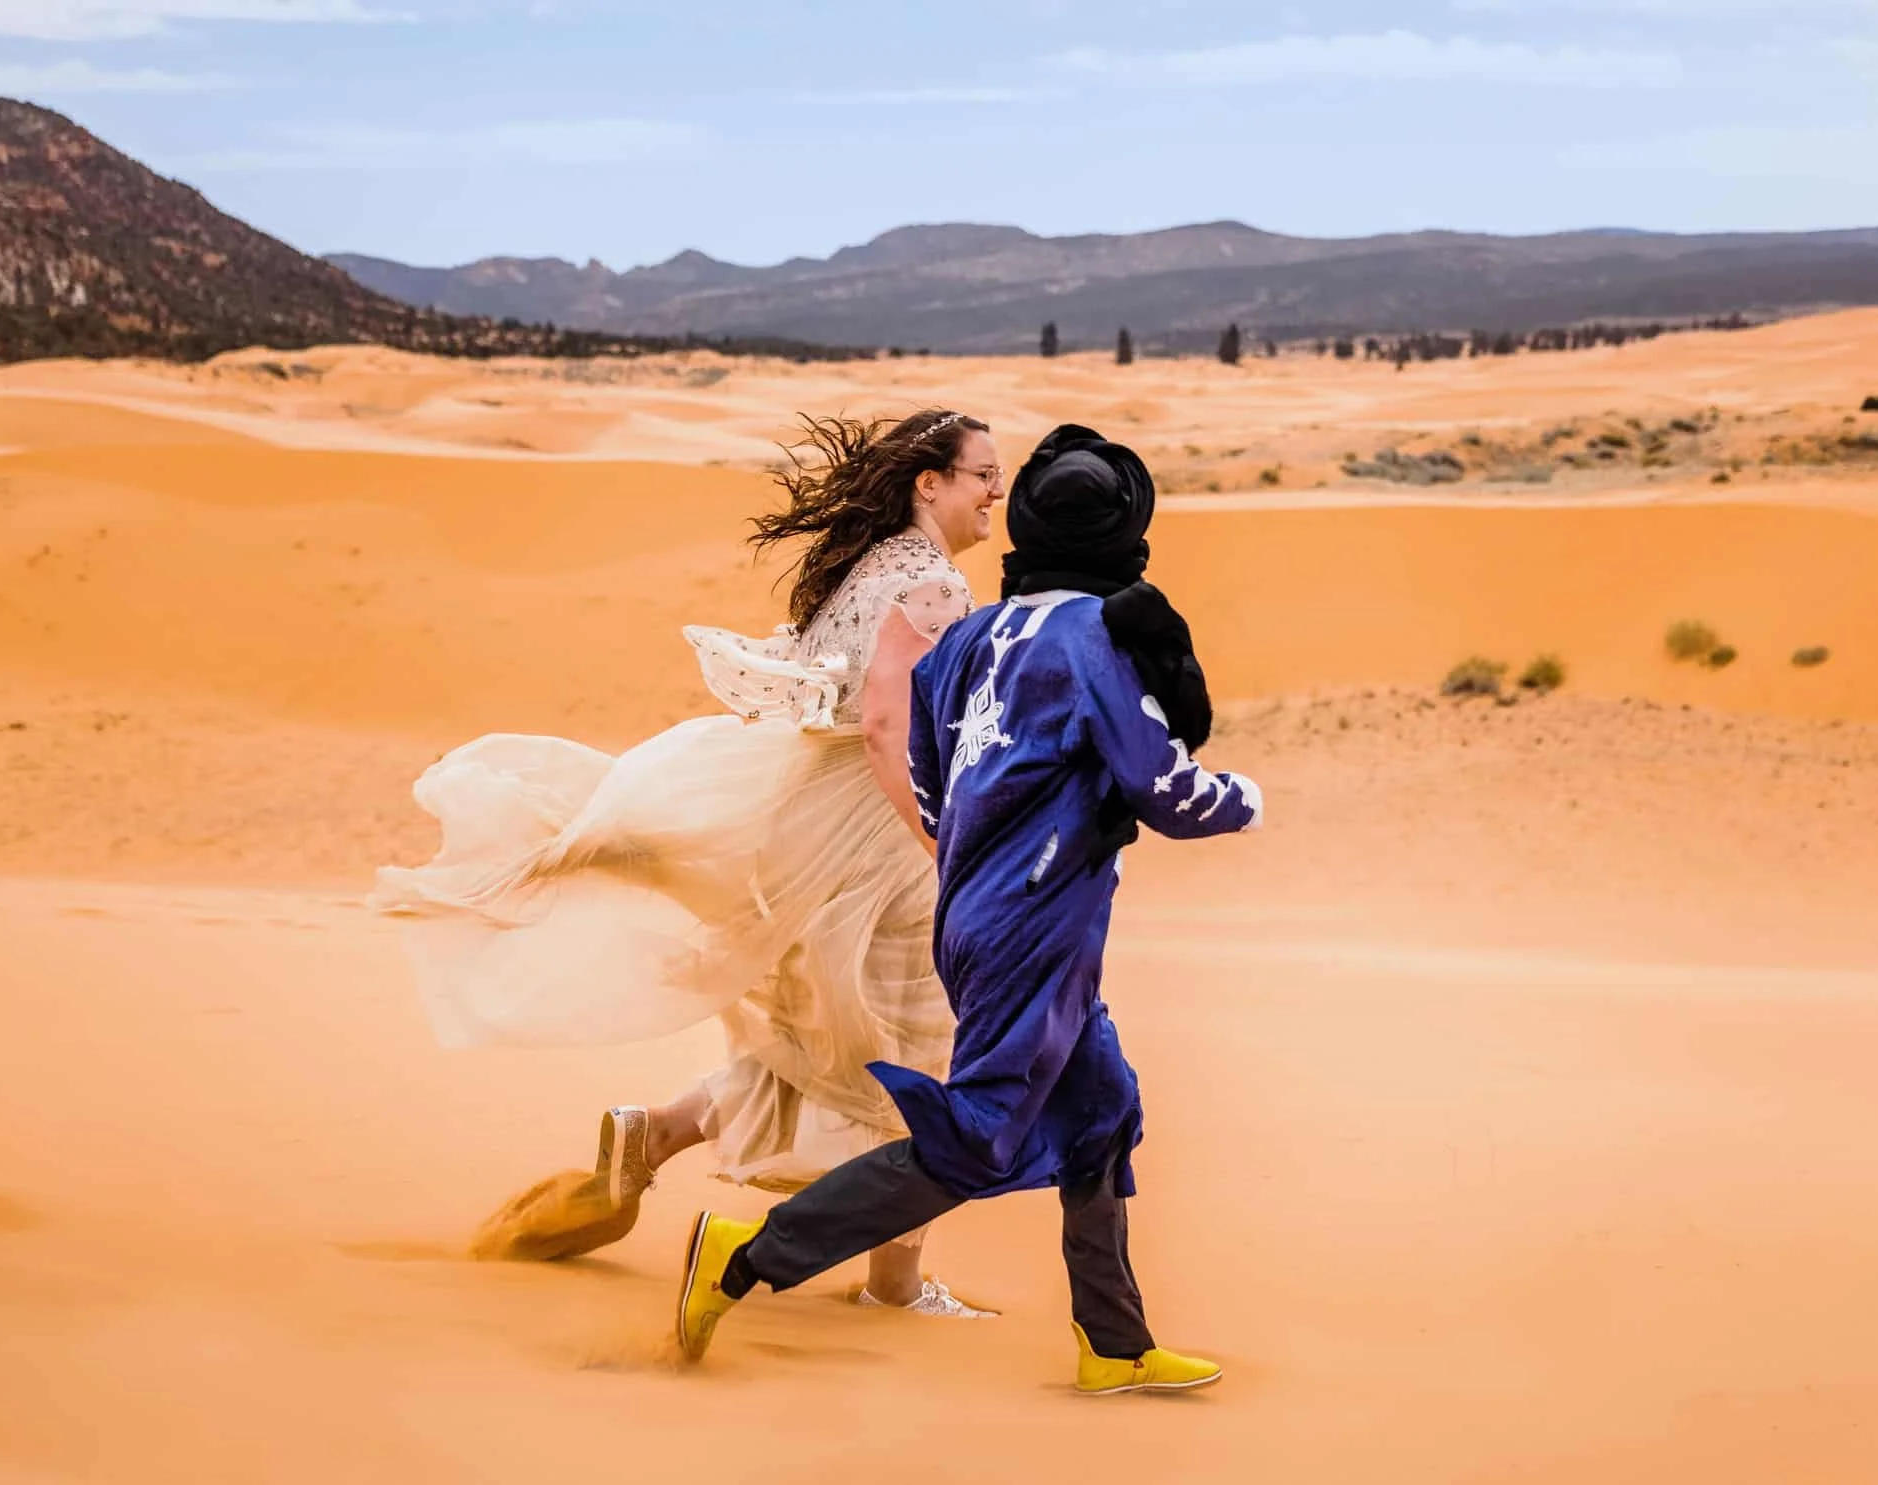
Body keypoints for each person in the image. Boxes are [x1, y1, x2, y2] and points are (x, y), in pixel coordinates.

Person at [370, 409, 1007, 1315]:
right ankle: (895, 1289)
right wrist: (938, 840)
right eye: (983, 474)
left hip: (817, 826)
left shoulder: (870, 567)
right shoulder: (933, 582)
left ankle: (656, 1133)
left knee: (829, 1037)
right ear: (928, 483)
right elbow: (881, 727)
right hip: (876, 841)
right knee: (911, 1045)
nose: (996, 493)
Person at [670, 423, 1263, 1394]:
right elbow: (1155, 784)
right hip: (1024, 921)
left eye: (1002, 486)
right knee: (977, 1135)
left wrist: (973, 849)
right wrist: (1237, 802)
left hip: (1018, 915)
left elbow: (931, 757)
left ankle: (1113, 1346)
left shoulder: (981, 630)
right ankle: (746, 1257)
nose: (989, 495)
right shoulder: (1069, 638)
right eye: (978, 477)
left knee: (1102, 1109)